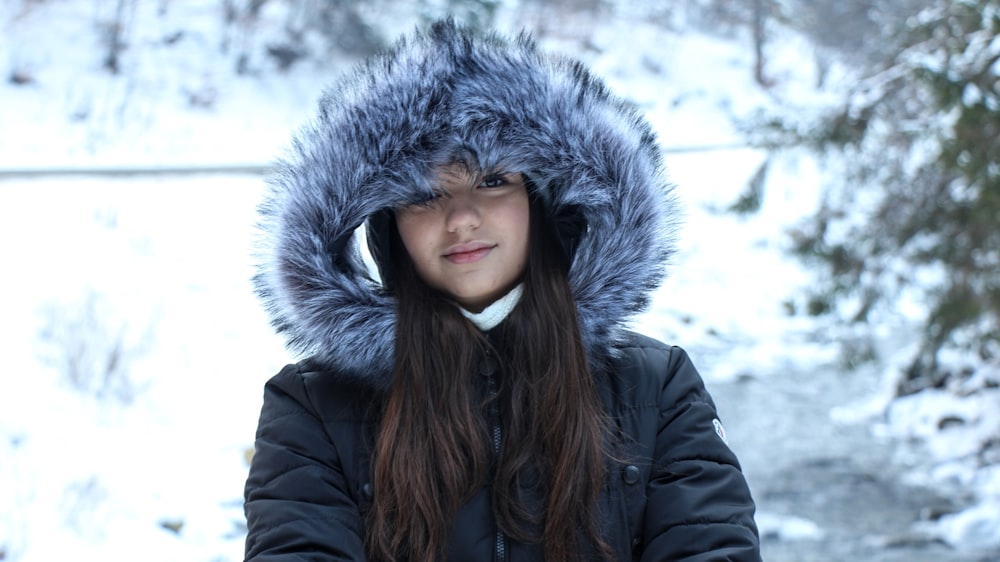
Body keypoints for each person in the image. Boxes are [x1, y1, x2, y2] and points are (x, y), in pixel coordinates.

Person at [244, 19, 761, 562]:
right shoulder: (311, 406)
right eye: (423, 195)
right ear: (389, 227)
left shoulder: (656, 388)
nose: (462, 218)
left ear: (540, 203)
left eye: (492, 181)